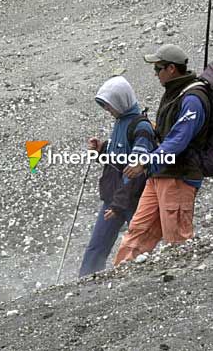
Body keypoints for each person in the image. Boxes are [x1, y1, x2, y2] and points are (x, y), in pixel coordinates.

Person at [113, 44, 207, 265]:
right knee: (137, 230)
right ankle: (120, 277)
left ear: (171, 69)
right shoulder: (174, 94)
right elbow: (168, 136)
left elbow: (178, 141)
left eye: (158, 68)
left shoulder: (193, 98)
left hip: (178, 177)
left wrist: (145, 162)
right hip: (159, 175)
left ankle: (184, 284)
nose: (155, 74)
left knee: (177, 240)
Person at [79, 76, 156, 277]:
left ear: (121, 101)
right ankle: (85, 282)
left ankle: (141, 278)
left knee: (137, 245)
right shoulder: (120, 122)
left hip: (133, 202)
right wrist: (101, 149)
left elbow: (135, 173)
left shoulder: (141, 127)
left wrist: (118, 205)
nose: (107, 110)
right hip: (114, 200)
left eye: (109, 105)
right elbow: (119, 156)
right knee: (96, 247)